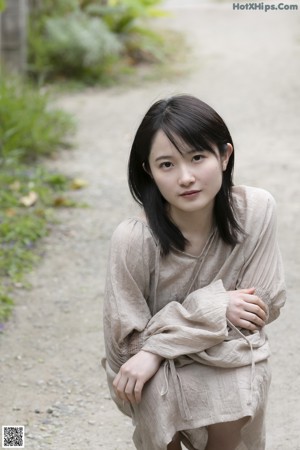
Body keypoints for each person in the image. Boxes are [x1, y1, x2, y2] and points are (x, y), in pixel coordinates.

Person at [102, 94, 286, 450]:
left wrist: (157, 346)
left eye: (198, 157)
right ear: (149, 172)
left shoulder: (257, 211)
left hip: (227, 357)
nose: (185, 178)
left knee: (234, 374)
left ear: (224, 155)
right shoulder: (134, 240)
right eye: (167, 165)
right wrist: (214, 308)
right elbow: (125, 351)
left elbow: (260, 308)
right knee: (151, 382)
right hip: (153, 373)